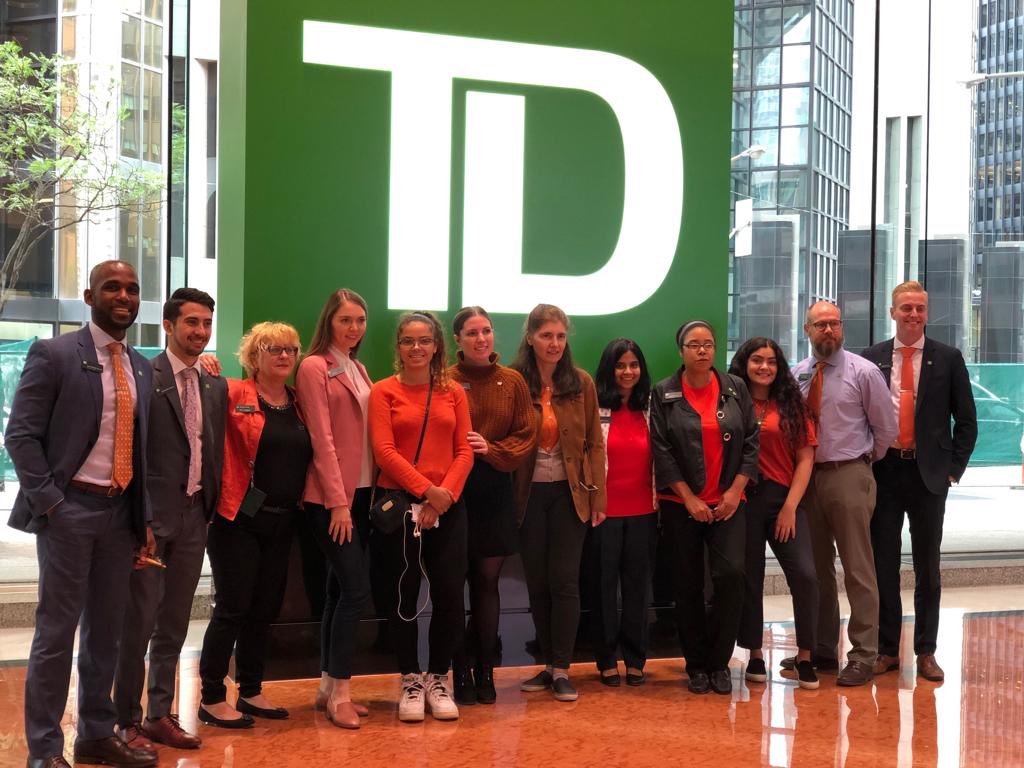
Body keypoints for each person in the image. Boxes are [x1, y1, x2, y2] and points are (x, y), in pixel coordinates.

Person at [7, 260, 157, 768]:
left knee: (106, 632)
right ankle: (45, 751)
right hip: (69, 511)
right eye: (112, 287)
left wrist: (143, 522)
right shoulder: (53, 354)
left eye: (132, 289)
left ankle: (96, 733)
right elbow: (20, 436)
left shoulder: (139, 364)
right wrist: (52, 503)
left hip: (119, 516)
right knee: (56, 633)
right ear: (90, 296)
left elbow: (140, 452)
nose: (124, 295)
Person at [114, 288, 227, 752]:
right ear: (168, 325)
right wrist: (136, 517)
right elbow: (133, 450)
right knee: (138, 624)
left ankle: (160, 714)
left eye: (206, 323)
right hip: (151, 522)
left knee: (176, 624)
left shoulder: (213, 383)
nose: (200, 332)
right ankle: (126, 721)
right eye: (191, 323)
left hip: (195, 517)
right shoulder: (143, 375)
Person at [197, 322, 312, 726]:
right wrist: (201, 367)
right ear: (253, 355)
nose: (283, 355)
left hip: (283, 520)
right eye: (273, 348)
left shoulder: (299, 403)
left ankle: (250, 691)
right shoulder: (231, 392)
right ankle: (211, 696)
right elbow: (191, 397)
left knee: (265, 609)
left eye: (290, 349)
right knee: (233, 607)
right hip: (236, 518)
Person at [862, 281, 977, 682]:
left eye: (920, 308)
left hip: (929, 476)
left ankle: (926, 650)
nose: (913, 315)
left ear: (927, 314)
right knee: (884, 565)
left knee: (929, 567)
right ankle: (887, 649)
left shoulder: (948, 358)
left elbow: (966, 422)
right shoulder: (871, 358)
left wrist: (953, 469)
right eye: (906, 308)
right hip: (885, 472)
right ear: (892, 312)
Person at [368, 311, 474, 722]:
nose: (416, 348)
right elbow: (384, 452)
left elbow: (465, 450)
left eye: (424, 340)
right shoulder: (383, 392)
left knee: (449, 593)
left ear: (436, 346)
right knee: (403, 597)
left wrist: (441, 497)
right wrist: (425, 491)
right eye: (408, 341)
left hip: (448, 505)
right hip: (401, 506)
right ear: (398, 347)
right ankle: (410, 679)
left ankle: (439, 678)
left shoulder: (453, 393)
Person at [788, 301, 898, 686]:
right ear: (807, 331)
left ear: (843, 329)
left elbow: (886, 430)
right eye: (820, 324)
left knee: (857, 569)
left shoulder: (863, 372)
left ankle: (864, 654)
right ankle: (821, 650)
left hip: (848, 474)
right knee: (816, 569)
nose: (828, 330)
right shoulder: (796, 375)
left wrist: (861, 463)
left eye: (834, 323)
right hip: (807, 480)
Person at [649, 320, 758, 696]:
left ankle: (719, 663)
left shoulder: (735, 387)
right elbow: (661, 450)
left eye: (708, 344)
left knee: (731, 577)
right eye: (694, 344)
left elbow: (751, 444)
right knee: (687, 585)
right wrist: (688, 498)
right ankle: (696, 664)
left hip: (730, 503)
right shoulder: (663, 392)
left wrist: (734, 491)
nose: (702, 350)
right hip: (682, 506)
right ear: (681, 350)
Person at [511, 304, 607, 703]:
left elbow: (594, 443)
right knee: (537, 582)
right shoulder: (514, 381)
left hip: (571, 495)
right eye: (546, 335)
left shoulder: (580, 382)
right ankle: (548, 664)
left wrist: (598, 496)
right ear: (530, 337)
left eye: (560, 336)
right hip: (527, 496)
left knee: (565, 582)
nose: (554, 343)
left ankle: (564, 669)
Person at [448, 306, 535, 705]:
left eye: (486, 330)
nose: (481, 338)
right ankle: (459, 674)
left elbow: (525, 436)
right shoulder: (444, 379)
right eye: (471, 333)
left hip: (494, 489)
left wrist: (492, 450)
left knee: (486, 584)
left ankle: (485, 672)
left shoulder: (512, 381)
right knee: (452, 586)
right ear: (457, 340)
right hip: (451, 489)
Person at [295, 289, 373, 729]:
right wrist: (338, 503)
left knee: (337, 591)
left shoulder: (358, 368)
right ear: (330, 322)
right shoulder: (314, 367)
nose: (354, 328)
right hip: (330, 499)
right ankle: (341, 692)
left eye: (360, 320)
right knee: (355, 591)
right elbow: (321, 439)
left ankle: (326, 686)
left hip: (361, 495)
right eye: (346, 320)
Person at [728, 337, 820, 690]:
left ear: (779, 367)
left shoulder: (793, 405)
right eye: (756, 360)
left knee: (807, 576)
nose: (764, 367)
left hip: (785, 501)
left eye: (771, 361)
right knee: (750, 577)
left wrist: (790, 508)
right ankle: (754, 654)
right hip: (745, 501)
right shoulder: (733, 401)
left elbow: (806, 458)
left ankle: (805, 656)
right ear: (744, 363)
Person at [590, 338, 657, 688]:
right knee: (603, 590)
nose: (628, 372)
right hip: (604, 513)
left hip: (645, 511)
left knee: (637, 589)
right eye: (620, 365)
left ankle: (635, 658)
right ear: (609, 369)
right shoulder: (596, 407)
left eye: (633, 365)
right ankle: (605, 659)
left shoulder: (652, 407)